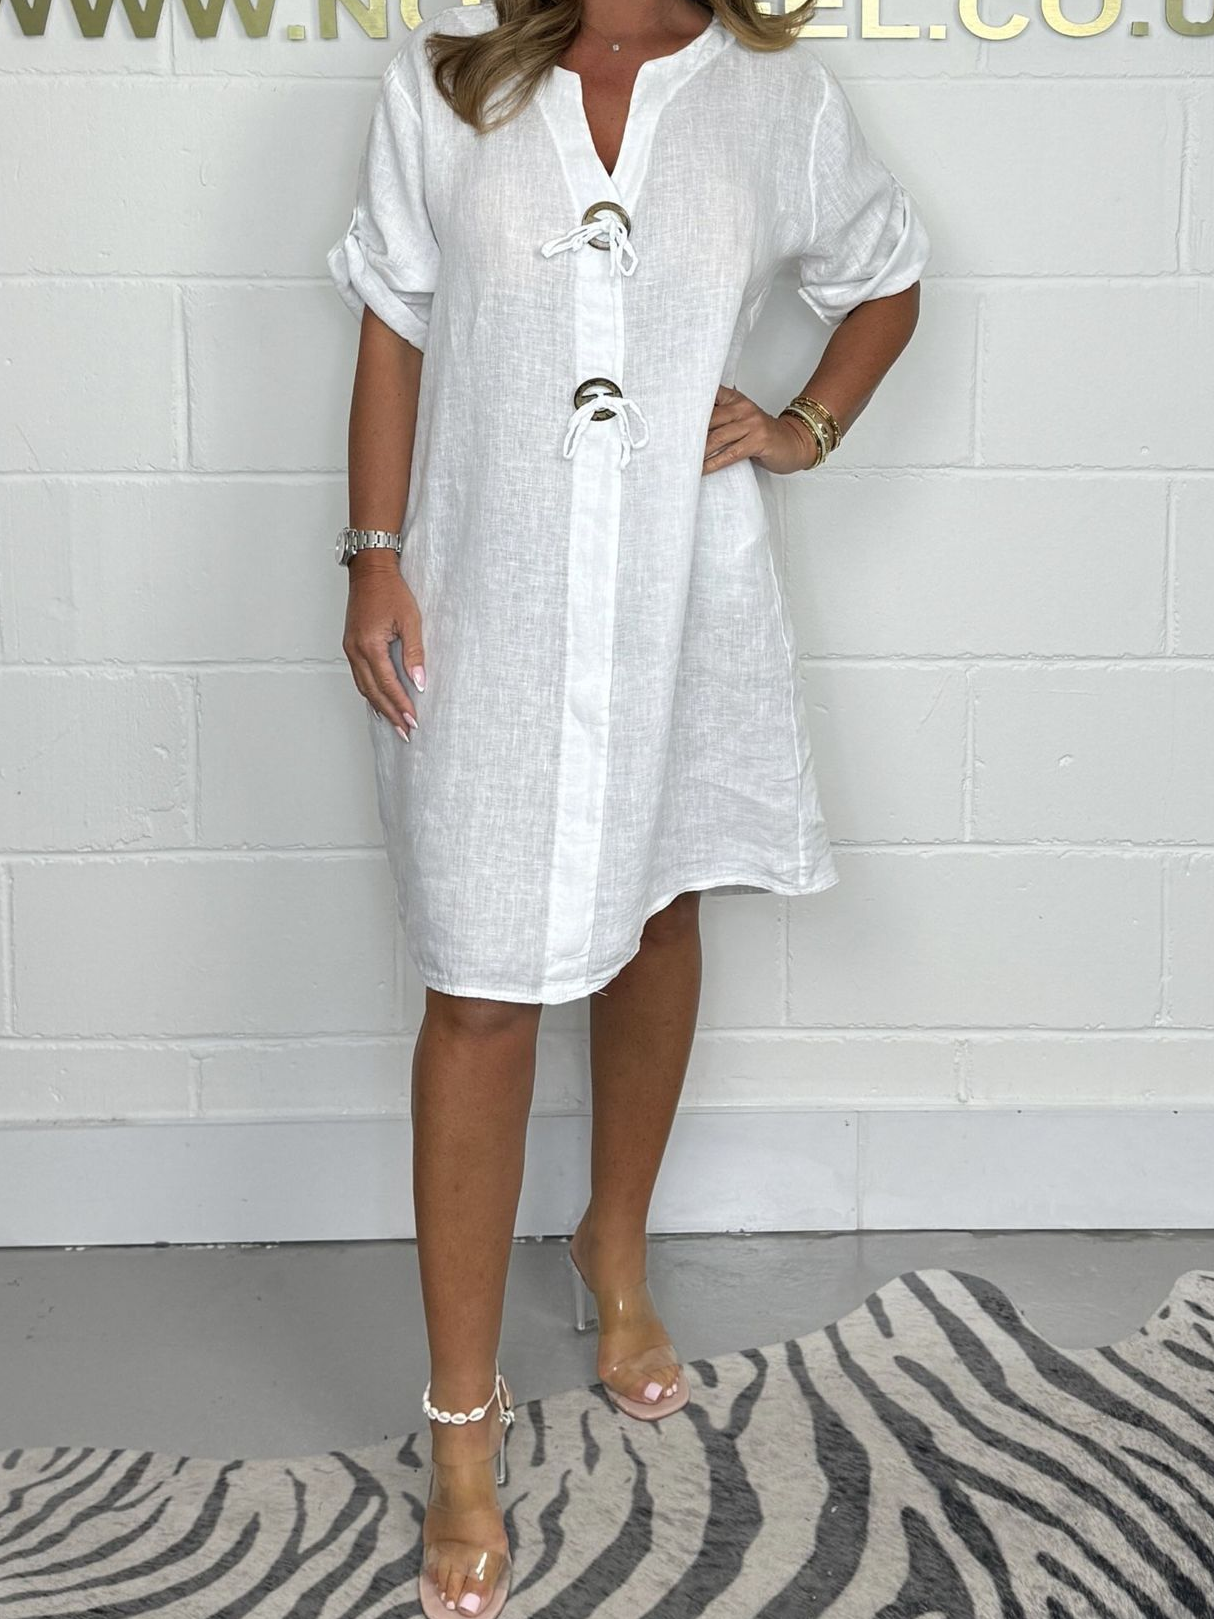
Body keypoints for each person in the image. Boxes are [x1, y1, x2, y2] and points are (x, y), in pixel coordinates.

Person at [327, 0, 930, 1610]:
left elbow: (886, 275)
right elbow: (392, 314)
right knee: (479, 985)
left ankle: (614, 1246)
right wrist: (373, 555)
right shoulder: (450, 72)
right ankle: (464, 1426)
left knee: (657, 911)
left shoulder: (768, 96)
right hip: (484, 591)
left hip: (677, 591)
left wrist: (800, 426)